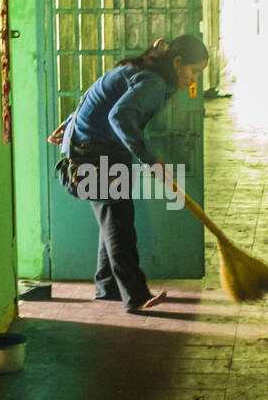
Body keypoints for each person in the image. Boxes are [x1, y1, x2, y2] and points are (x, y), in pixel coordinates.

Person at [49, 35, 210, 313]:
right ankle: (135, 295)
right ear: (177, 62)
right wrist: (150, 159)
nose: (194, 80)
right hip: (92, 156)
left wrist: (69, 124)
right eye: (194, 71)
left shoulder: (144, 74)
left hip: (95, 149)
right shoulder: (153, 82)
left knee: (113, 218)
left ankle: (108, 286)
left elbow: (97, 96)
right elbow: (119, 116)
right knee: (119, 223)